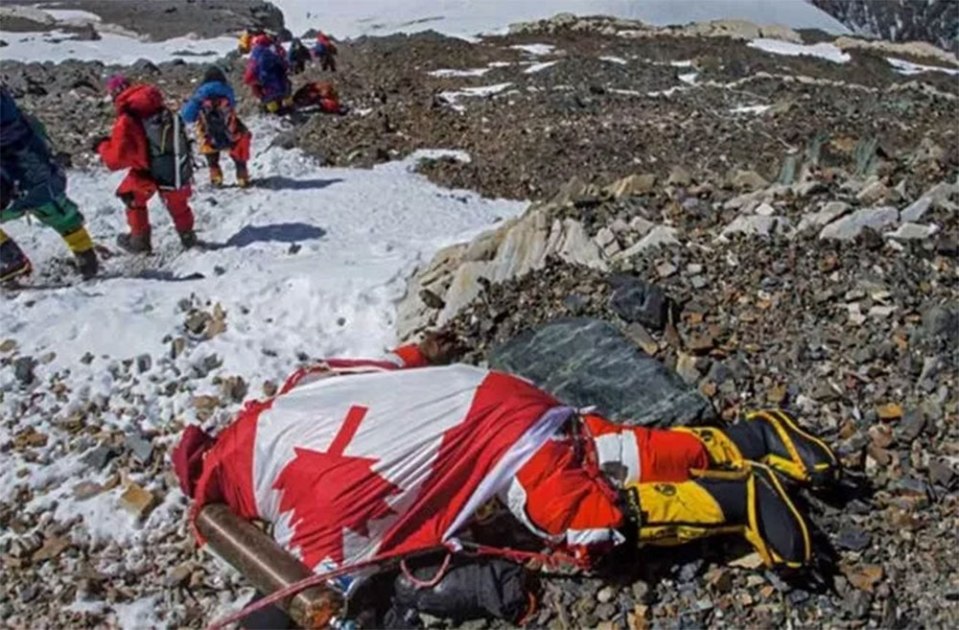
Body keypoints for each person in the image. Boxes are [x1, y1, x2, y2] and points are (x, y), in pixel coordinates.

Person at [174, 331, 841, 625]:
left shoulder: (300, 507)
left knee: (585, 524)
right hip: (498, 394)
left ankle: (734, 494)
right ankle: (751, 438)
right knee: (607, 449)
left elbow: (331, 591)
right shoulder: (292, 394)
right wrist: (422, 353)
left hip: (495, 446)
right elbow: (384, 363)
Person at [1, 86, 98, 281]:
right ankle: (86, 257)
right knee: (62, 216)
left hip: (9, 191)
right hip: (46, 181)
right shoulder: (22, 122)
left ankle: (9, 260)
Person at [93, 75, 195, 254]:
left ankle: (139, 241)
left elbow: (115, 160)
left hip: (145, 170)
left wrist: (101, 146)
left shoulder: (127, 117)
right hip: (171, 163)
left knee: (132, 197)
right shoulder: (158, 106)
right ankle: (188, 236)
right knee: (177, 202)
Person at [180, 66, 253, 188]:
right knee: (241, 139)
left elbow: (187, 116)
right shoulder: (227, 90)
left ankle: (216, 177)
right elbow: (233, 106)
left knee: (208, 146)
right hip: (231, 132)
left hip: (209, 136)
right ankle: (242, 176)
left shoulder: (200, 95)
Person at [244, 34, 292, 114]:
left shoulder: (253, 57)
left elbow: (249, 77)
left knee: (263, 93)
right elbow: (284, 65)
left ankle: (273, 111)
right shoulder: (271, 53)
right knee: (286, 87)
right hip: (280, 88)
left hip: (266, 91)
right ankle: (289, 106)